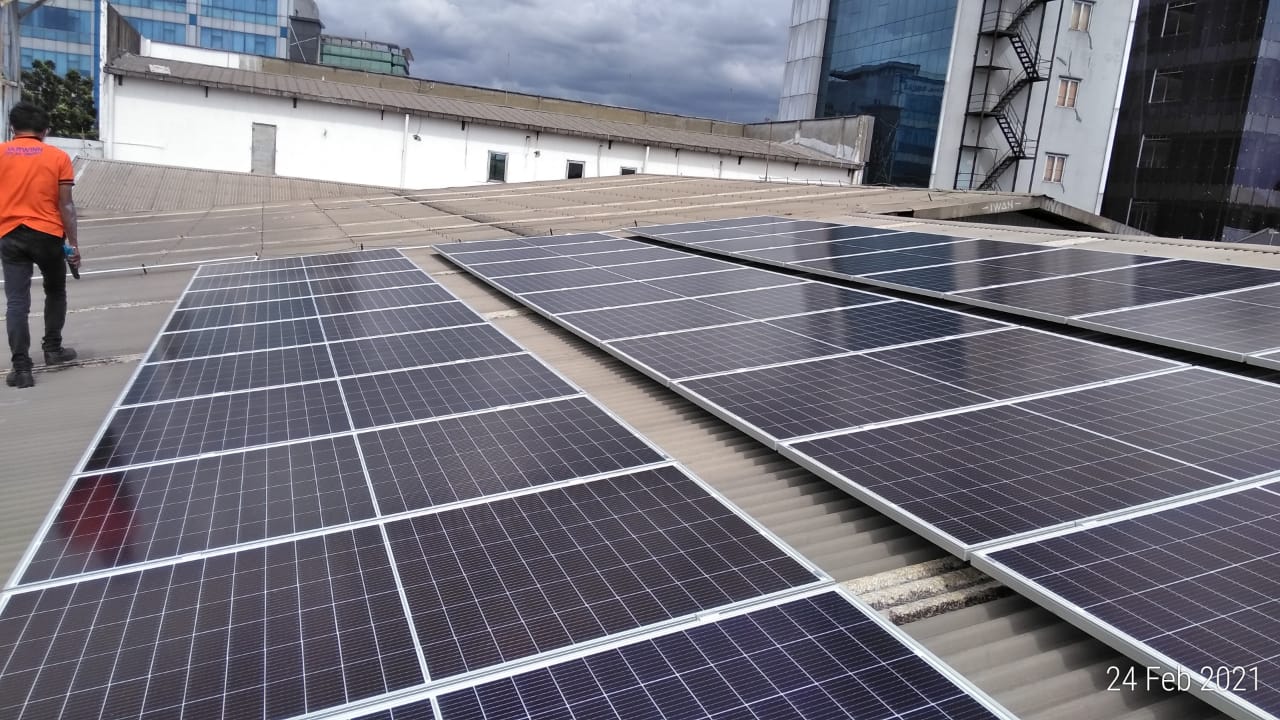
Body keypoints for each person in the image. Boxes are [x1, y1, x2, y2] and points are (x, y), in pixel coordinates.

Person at [1, 101, 80, 389]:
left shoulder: (0, 154)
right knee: (55, 291)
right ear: (45, 130)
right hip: (47, 235)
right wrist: (73, 244)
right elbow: (66, 206)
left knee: (17, 302)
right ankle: (53, 349)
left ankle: (21, 367)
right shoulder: (58, 157)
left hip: (9, 235)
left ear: (13, 128)